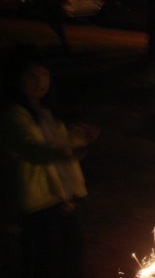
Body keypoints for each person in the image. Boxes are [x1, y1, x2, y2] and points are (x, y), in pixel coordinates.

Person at [0, 45, 99, 278]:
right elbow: (33, 150)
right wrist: (69, 147)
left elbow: (61, 148)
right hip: (38, 203)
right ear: (16, 78)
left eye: (44, 74)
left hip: (63, 195)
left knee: (72, 256)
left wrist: (80, 138)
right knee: (46, 263)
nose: (40, 83)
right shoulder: (13, 115)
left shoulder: (46, 111)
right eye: (31, 76)